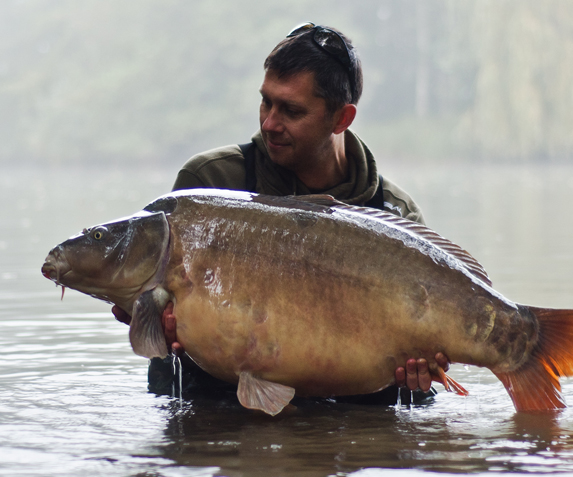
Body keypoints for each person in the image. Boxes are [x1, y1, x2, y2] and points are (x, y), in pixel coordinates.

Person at [113, 22, 448, 405]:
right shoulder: (210, 183)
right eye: (266, 102)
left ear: (342, 118)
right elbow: (159, 311)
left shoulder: (395, 215)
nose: (270, 123)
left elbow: (426, 356)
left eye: (291, 110)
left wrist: (418, 378)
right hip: (219, 413)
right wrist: (152, 319)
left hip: (346, 423)